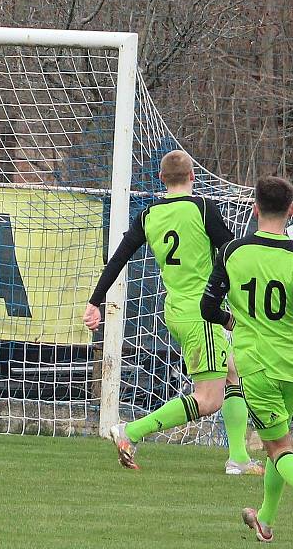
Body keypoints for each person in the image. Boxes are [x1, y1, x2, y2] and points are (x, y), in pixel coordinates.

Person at [84, 150, 261, 475]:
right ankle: (131, 432)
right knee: (209, 400)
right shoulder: (204, 208)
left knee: (234, 371)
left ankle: (238, 458)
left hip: (177, 310)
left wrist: (94, 301)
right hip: (202, 313)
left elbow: (119, 258)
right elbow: (234, 254)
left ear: (162, 179)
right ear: (193, 177)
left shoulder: (149, 215)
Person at [201, 176, 293, 547]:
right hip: (291, 366)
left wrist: (229, 320)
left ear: (254, 208)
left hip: (255, 367)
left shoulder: (232, 251)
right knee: (276, 445)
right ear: (292, 210)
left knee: (280, 449)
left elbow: (207, 307)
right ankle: (265, 521)